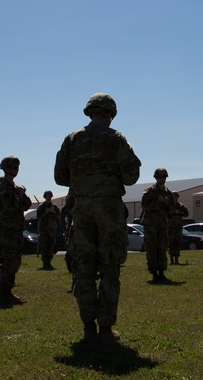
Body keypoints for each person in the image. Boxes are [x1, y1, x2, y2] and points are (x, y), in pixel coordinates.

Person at [54, 93, 141, 343]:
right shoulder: (116, 139)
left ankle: (87, 328)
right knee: (110, 268)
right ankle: (105, 328)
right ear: (109, 114)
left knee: (84, 269)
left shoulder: (72, 139)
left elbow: (60, 177)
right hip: (109, 209)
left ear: (90, 112)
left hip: (81, 209)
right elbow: (131, 176)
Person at [0, 156, 32, 304]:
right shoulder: (2, 188)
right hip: (6, 231)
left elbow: (27, 205)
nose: (16, 170)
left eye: (17, 167)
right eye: (13, 167)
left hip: (15, 230)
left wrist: (22, 194)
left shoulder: (14, 188)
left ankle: (8, 291)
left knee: (15, 261)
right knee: (9, 261)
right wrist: (19, 195)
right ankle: (3, 292)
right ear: (6, 168)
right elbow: (11, 207)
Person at [141, 168, 175, 283]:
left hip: (162, 225)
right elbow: (144, 206)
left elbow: (173, 209)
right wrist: (158, 202)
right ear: (155, 178)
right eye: (159, 177)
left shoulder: (168, 193)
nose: (162, 179)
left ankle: (161, 272)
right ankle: (154, 273)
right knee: (151, 249)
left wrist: (166, 203)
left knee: (162, 248)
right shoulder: (149, 191)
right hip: (150, 225)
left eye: (163, 177)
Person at [36, 191, 61, 270]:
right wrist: (45, 213)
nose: (48, 197)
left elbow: (58, 217)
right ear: (44, 196)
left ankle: (49, 262)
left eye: (50, 195)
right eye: (47, 195)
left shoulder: (54, 206)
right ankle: (45, 263)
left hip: (52, 230)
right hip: (43, 230)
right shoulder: (41, 207)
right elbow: (38, 218)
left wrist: (52, 212)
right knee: (44, 246)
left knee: (51, 246)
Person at [168, 192, 189, 265]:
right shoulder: (168, 206)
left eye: (176, 196)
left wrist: (178, 212)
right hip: (170, 228)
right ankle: (171, 260)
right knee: (171, 243)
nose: (174, 197)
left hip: (178, 228)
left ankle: (176, 260)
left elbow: (186, 214)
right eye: (173, 196)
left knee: (177, 243)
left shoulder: (180, 206)